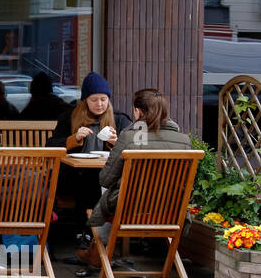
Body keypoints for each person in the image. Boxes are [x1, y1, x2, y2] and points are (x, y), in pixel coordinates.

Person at [77, 88, 191, 268]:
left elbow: (105, 179)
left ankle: (97, 251)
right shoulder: (184, 141)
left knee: (112, 198)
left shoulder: (129, 137)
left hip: (129, 211)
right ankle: (96, 253)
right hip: (170, 212)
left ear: (138, 111)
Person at [47, 72, 132, 233]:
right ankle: (90, 235)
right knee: (89, 178)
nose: (99, 104)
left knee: (95, 178)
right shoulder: (69, 117)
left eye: (103, 99)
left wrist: (117, 143)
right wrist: (74, 138)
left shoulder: (120, 119)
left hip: (110, 176)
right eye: (94, 100)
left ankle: (88, 235)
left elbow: (134, 149)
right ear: (85, 100)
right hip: (72, 175)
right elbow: (50, 145)